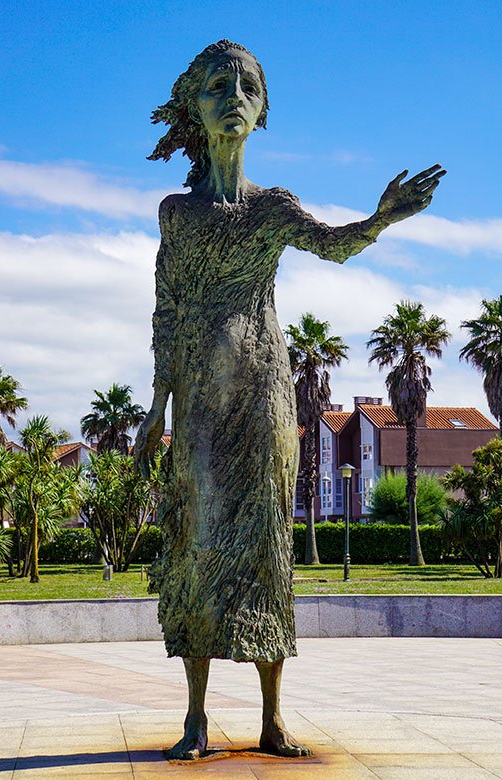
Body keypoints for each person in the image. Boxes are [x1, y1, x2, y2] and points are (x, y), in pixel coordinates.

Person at [135, 39, 445, 760]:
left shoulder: (272, 207)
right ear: (194, 106)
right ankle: (196, 717)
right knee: (199, 544)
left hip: (265, 397)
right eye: (218, 86)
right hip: (201, 402)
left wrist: (381, 219)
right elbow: (167, 310)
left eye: (247, 87)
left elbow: (333, 244)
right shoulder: (178, 214)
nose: (234, 98)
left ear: (263, 111)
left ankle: (273, 718)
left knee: (267, 544)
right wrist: (156, 405)